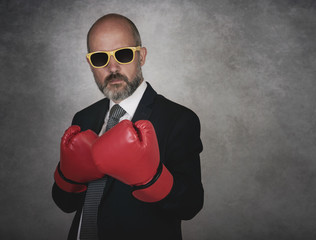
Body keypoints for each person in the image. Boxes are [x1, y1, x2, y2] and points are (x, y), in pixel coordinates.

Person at [52, 13, 204, 240]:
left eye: (122, 55)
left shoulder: (178, 119)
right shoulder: (84, 118)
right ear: (90, 64)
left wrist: (152, 179)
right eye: (100, 58)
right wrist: (68, 177)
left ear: (141, 56)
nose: (112, 68)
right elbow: (65, 203)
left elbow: (190, 205)